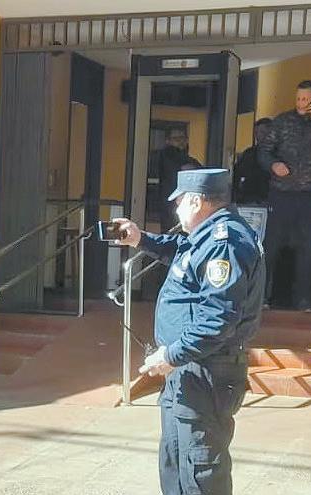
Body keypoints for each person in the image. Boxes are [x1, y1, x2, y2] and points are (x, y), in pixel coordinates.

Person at [114, 168, 265, 495]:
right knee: (175, 460)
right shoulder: (205, 236)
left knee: (200, 468)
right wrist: (140, 239)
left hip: (205, 370)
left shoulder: (225, 242)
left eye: (179, 202)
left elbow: (218, 317)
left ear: (197, 202)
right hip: (187, 369)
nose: (176, 208)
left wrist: (171, 355)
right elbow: (182, 252)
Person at [257, 80, 311, 311]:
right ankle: (263, 297)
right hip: (281, 193)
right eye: (298, 98)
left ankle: (304, 300)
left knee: (308, 249)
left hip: (309, 194)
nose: (301, 103)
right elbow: (263, 151)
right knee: (272, 245)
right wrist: (273, 164)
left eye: (305, 99)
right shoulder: (282, 121)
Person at [148, 128, 202, 231]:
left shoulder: (186, 158)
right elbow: (188, 168)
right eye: (176, 139)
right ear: (168, 141)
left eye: (183, 138)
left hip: (176, 202)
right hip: (169, 202)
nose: (180, 141)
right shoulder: (167, 155)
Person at [233, 118, 272, 204]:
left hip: (271, 198)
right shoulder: (249, 153)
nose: (259, 136)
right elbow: (237, 173)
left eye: (262, 132)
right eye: (256, 133)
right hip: (249, 198)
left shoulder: (280, 154)